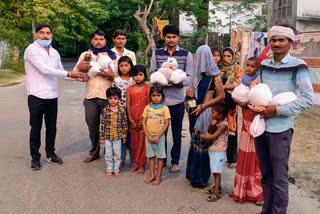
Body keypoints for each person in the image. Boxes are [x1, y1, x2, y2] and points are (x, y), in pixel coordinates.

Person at [255, 25, 315, 214]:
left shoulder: (298, 65)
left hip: (281, 129)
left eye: (281, 40)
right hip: (262, 127)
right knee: (266, 175)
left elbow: (308, 98)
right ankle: (267, 210)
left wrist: (277, 110)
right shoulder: (264, 64)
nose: (276, 43)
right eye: (273, 40)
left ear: (290, 43)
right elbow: (261, 93)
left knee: (280, 178)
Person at [24, 23, 86, 170]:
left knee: (52, 127)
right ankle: (35, 157)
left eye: (48, 33)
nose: (45, 36)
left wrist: (77, 78)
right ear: (36, 35)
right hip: (36, 94)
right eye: (42, 33)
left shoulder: (54, 52)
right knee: (36, 127)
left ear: (52, 35)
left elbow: (60, 72)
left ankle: (50, 154)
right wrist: (71, 74)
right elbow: (45, 70)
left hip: (52, 95)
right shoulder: (31, 50)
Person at [150, 24, 193, 173]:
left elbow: (189, 77)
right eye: (168, 37)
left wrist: (177, 82)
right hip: (160, 102)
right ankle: (162, 159)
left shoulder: (186, 54)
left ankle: (175, 161)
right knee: (161, 132)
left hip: (177, 100)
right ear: (164, 37)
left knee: (176, 133)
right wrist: (160, 82)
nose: (171, 39)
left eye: (174, 37)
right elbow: (152, 73)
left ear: (178, 37)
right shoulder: (156, 53)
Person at [73, 29, 117, 163]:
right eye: (96, 39)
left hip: (108, 97)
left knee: (109, 125)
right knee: (92, 124)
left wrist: (111, 75)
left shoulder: (112, 56)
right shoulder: (85, 55)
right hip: (91, 96)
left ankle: (109, 152)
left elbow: (120, 75)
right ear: (92, 40)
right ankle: (94, 151)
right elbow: (75, 72)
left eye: (101, 39)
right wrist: (80, 68)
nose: (99, 42)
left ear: (105, 41)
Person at [230, 57, 264, 206]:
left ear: (258, 68)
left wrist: (246, 103)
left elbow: (262, 99)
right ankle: (240, 189)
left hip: (257, 121)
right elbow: (238, 95)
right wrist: (239, 100)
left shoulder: (261, 80)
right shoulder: (244, 79)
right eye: (247, 65)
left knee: (256, 156)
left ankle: (257, 193)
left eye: (252, 66)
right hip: (245, 120)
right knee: (244, 153)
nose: (249, 68)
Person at [187, 45, 224, 135]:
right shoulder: (195, 75)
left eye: (205, 56)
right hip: (194, 110)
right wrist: (188, 93)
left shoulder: (215, 75)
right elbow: (191, 93)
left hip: (206, 111)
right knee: (194, 137)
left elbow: (222, 96)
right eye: (200, 56)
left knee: (204, 139)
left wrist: (203, 106)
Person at [220, 47, 243, 169]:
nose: (226, 58)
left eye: (229, 56)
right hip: (218, 102)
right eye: (224, 56)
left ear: (233, 57)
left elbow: (238, 84)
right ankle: (217, 156)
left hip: (231, 102)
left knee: (232, 128)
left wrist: (223, 87)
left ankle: (232, 158)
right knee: (218, 127)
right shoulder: (218, 68)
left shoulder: (237, 68)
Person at [142, 85, 170, 185]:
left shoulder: (165, 108)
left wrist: (158, 136)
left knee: (160, 157)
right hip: (149, 137)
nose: (156, 98)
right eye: (153, 95)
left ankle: (158, 177)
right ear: (150, 96)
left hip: (160, 137)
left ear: (162, 96)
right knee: (151, 157)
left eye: (158, 95)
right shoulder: (147, 107)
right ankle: (152, 175)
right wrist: (148, 135)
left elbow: (167, 123)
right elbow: (143, 122)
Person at [201, 102, 229, 202]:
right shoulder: (216, 122)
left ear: (220, 115)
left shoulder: (224, 125)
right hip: (213, 149)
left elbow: (213, 136)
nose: (211, 113)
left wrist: (202, 136)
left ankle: (216, 192)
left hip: (219, 151)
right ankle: (217, 187)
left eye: (213, 112)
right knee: (214, 169)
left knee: (217, 172)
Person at [126, 64, 150, 174]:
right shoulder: (129, 89)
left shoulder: (147, 89)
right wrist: (130, 118)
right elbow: (128, 105)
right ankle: (135, 162)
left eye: (140, 75)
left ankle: (142, 164)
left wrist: (143, 120)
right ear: (132, 76)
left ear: (145, 76)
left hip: (143, 121)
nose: (138, 77)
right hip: (133, 120)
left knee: (142, 143)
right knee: (134, 143)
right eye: (135, 75)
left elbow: (149, 106)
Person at [112, 56, 135, 169]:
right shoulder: (116, 80)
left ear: (131, 66)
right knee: (121, 137)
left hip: (132, 111)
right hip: (120, 112)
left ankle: (133, 160)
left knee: (131, 137)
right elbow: (113, 96)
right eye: (121, 66)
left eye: (126, 65)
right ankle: (121, 159)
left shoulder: (134, 80)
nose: (124, 68)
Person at [99, 87, 128, 177]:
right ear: (107, 99)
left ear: (119, 99)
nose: (112, 101)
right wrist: (101, 137)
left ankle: (116, 169)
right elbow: (102, 124)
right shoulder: (105, 111)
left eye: (115, 98)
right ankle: (109, 169)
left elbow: (124, 124)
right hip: (107, 137)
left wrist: (124, 136)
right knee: (108, 154)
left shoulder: (122, 111)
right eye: (110, 98)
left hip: (118, 137)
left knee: (117, 153)